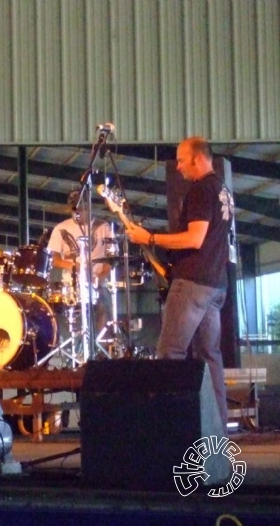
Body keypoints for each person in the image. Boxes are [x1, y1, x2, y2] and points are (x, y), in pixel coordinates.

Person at [125, 136, 232, 428]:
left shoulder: (200, 190)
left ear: (197, 158)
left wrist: (149, 238)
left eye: (182, 160)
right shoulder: (222, 189)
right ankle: (217, 433)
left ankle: (167, 429)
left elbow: (195, 238)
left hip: (193, 283)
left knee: (170, 353)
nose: (179, 167)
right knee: (210, 358)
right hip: (215, 284)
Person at [46, 189, 116, 348]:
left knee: (104, 308)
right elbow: (54, 259)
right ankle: (72, 350)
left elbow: (112, 259)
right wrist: (74, 267)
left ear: (88, 207)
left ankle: (100, 350)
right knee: (61, 314)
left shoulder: (103, 227)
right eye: (73, 210)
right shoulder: (60, 228)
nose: (76, 214)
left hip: (97, 284)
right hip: (70, 285)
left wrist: (100, 277)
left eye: (80, 210)